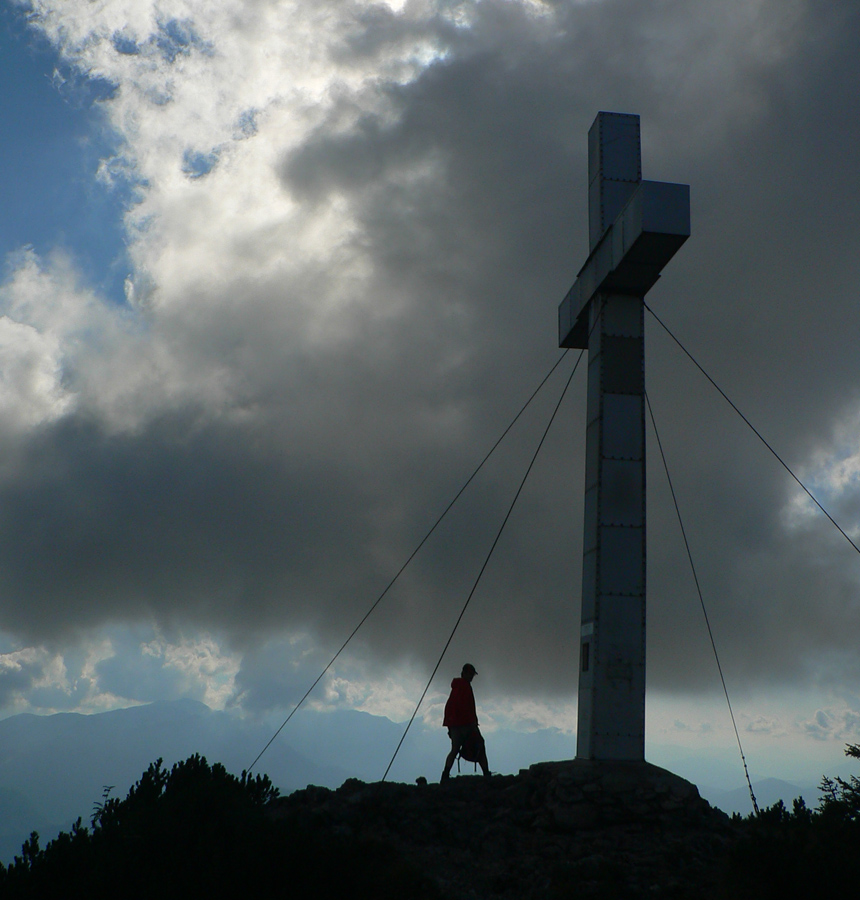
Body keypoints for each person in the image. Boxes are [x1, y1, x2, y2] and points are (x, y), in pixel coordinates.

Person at [441, 663, 490, 780]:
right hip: (467, 724)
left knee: (454, 750)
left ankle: (445, 775)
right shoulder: (465, 687)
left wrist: (450, 726)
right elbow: (468, 707)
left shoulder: (456, 687)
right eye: (471, 674)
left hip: (454, 725)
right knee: (480, 745)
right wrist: (472, 722)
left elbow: (450, 707)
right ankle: (486, 774)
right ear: (465, 673)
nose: (472, 677)